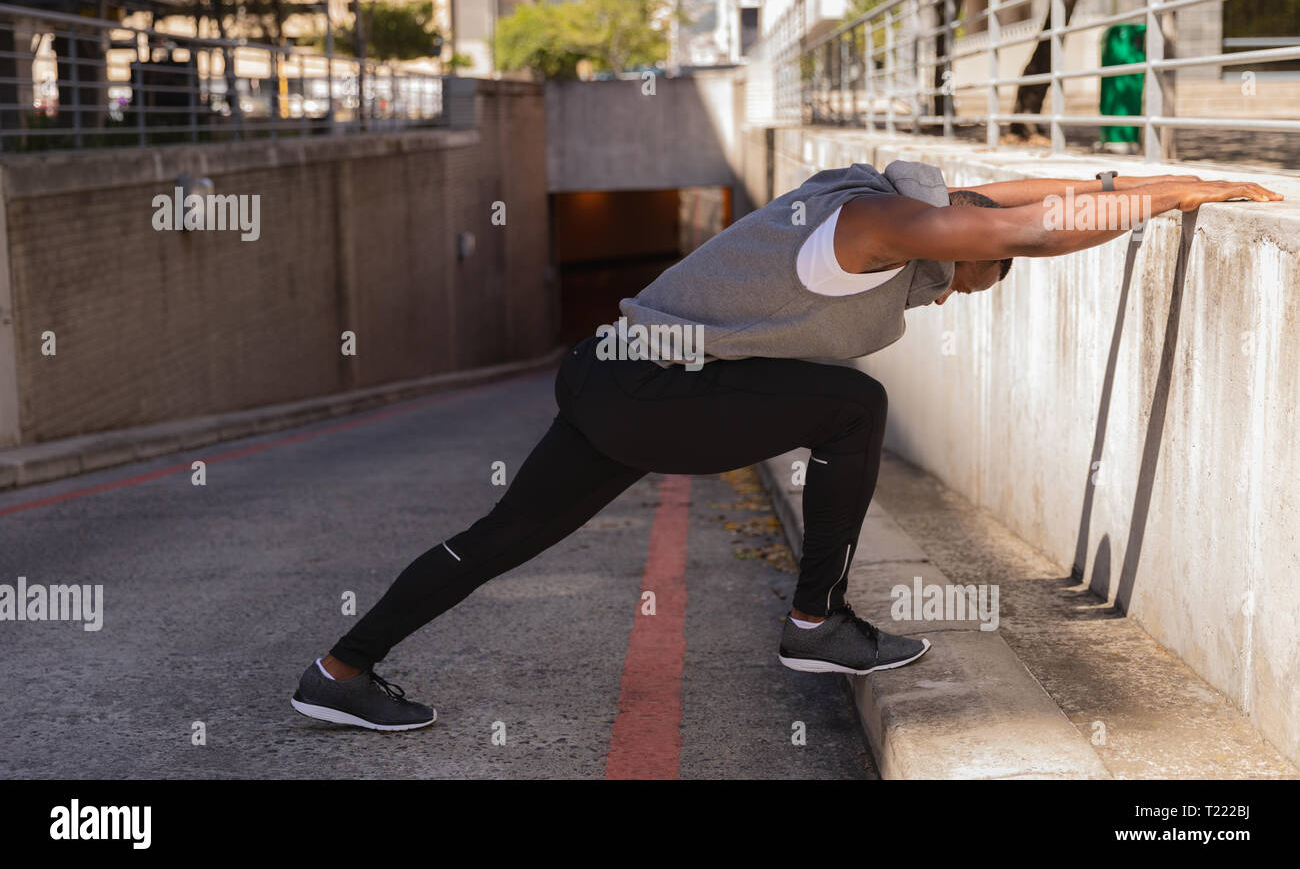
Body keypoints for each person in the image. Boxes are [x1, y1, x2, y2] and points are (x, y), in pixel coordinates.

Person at [290, 161, 1281, 730]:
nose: (973, 292)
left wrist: (1168, 178)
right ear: (962, 247)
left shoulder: (907, 215)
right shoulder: (881, 224)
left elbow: (1019, 196)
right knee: (851, 405)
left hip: (613, 369)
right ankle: (815, 619)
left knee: (502, 535)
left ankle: (338, 670)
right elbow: (1029, 226)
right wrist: (1160, 201)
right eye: (982, 278)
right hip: (642, 384)